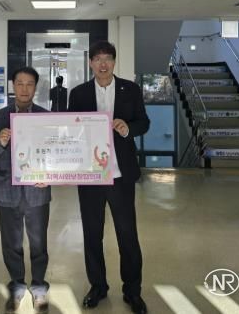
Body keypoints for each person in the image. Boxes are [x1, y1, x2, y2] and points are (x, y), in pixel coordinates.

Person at [68, 41, 150, 314]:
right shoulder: (78, 93)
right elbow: (70, 129)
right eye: (98, 59)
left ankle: (132, 291)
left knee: (127, 235)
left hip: (120, 174)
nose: (103, 64)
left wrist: (127, 128)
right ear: (90, 63)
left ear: (114, 62)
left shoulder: (131, 89)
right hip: (90, 174)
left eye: (108, 59)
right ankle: (98, 286)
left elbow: (144, 122)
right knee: (92, 234)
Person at [0, 66, 51, 314]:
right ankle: (17, 286)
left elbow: (55, 152)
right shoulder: (0, 116)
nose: (24, 89)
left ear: (35, 87)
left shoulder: (45, 116)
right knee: (11, 244)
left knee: (39, 243)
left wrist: (50, 174)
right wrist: (1, 141)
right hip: (8, 190)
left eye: (29, 84)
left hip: (37, 190)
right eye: (20, 83)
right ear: (13, 86)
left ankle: (39, 287)